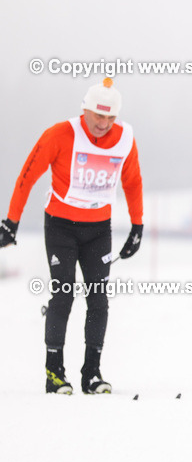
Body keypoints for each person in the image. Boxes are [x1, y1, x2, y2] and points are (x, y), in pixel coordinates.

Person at [0, 78, 144, 395]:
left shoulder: (124, 139)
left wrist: (137, 226)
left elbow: (132, 181)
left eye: (110, 117)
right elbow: (27, 175)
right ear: (85, 109)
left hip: (99, 229)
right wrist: (11, 221)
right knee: (63, 293)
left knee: (98, 298)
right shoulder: (60, 134)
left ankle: (92, 374)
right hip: (61, 227)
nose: (103, 123)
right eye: (98, 115)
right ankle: (54, 374)